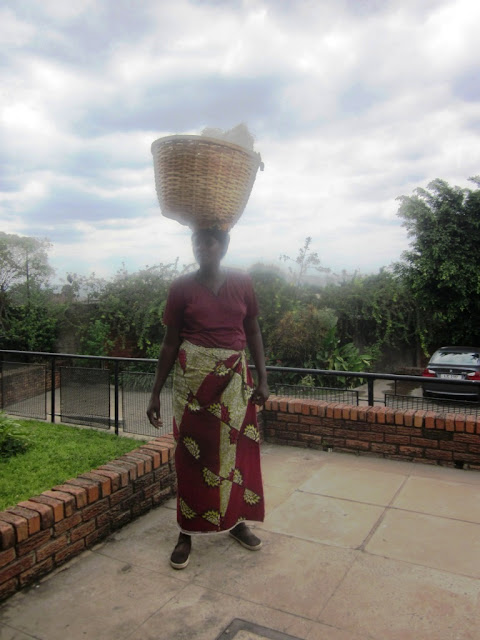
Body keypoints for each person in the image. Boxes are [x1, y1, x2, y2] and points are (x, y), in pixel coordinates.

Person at [147, 227, 269, 569]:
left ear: (224, 245)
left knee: (235, 453)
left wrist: (263, 378)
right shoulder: (181, 287)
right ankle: (186, 532)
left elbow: (253, 330)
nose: (201, 247)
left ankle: (236, 522)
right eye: (196, 241)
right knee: (190, 456)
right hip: (192, 384)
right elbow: (170, 342)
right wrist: (155, 392)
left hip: (234, 382)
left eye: (209, 241)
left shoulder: (242, 282)